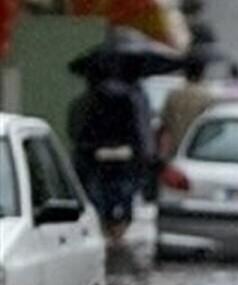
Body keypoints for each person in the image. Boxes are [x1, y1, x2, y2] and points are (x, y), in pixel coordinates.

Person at [68, 58, 151, 241]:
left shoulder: (85, 102)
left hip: (95, 159)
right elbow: (137, 131)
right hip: (122, 159)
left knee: (100, 198)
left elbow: (76, 132)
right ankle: (117, 232)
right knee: (122, 196)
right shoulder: (129, 99)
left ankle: (108, 231)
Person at [159, 55, 214, 157]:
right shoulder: (207, 97)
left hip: (174, 149)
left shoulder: (174, 95)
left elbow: (164, 125)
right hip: (197, 150)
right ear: (202, 73)